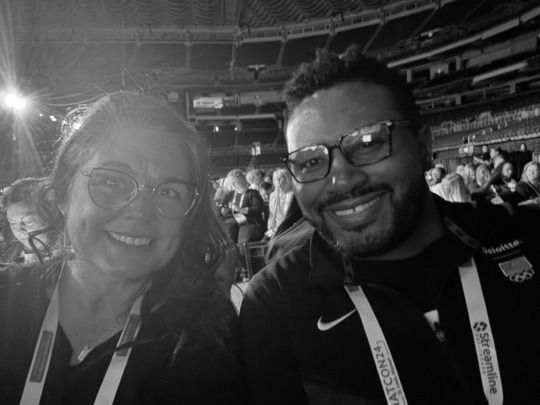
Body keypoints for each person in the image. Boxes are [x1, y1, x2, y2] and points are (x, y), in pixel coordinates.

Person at [239, 45, 540, 405]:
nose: (341, 180)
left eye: (367, 142)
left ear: (425, 147)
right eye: (309, 162)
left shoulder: (526, 237)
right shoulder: (276, 306)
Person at [0, 92, 244, 404]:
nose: (141, 212)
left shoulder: (204, 339)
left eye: (169, 192)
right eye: (113, 182)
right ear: (62, 193)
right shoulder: (6, 300)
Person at [0, 177, 56, 266]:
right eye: (12, 223)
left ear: (51, 215)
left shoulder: (72, 256)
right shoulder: (4, 254)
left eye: (28, 221)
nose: (18, 230)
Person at [265, 169, 294, 238]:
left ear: (287, 179)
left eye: (280, 178)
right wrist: (270, 228)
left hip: (291, 226)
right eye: (275, 179)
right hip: (277, 227)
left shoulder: (294, 194)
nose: (277, 181)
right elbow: (271, 214)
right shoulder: (273, 196)